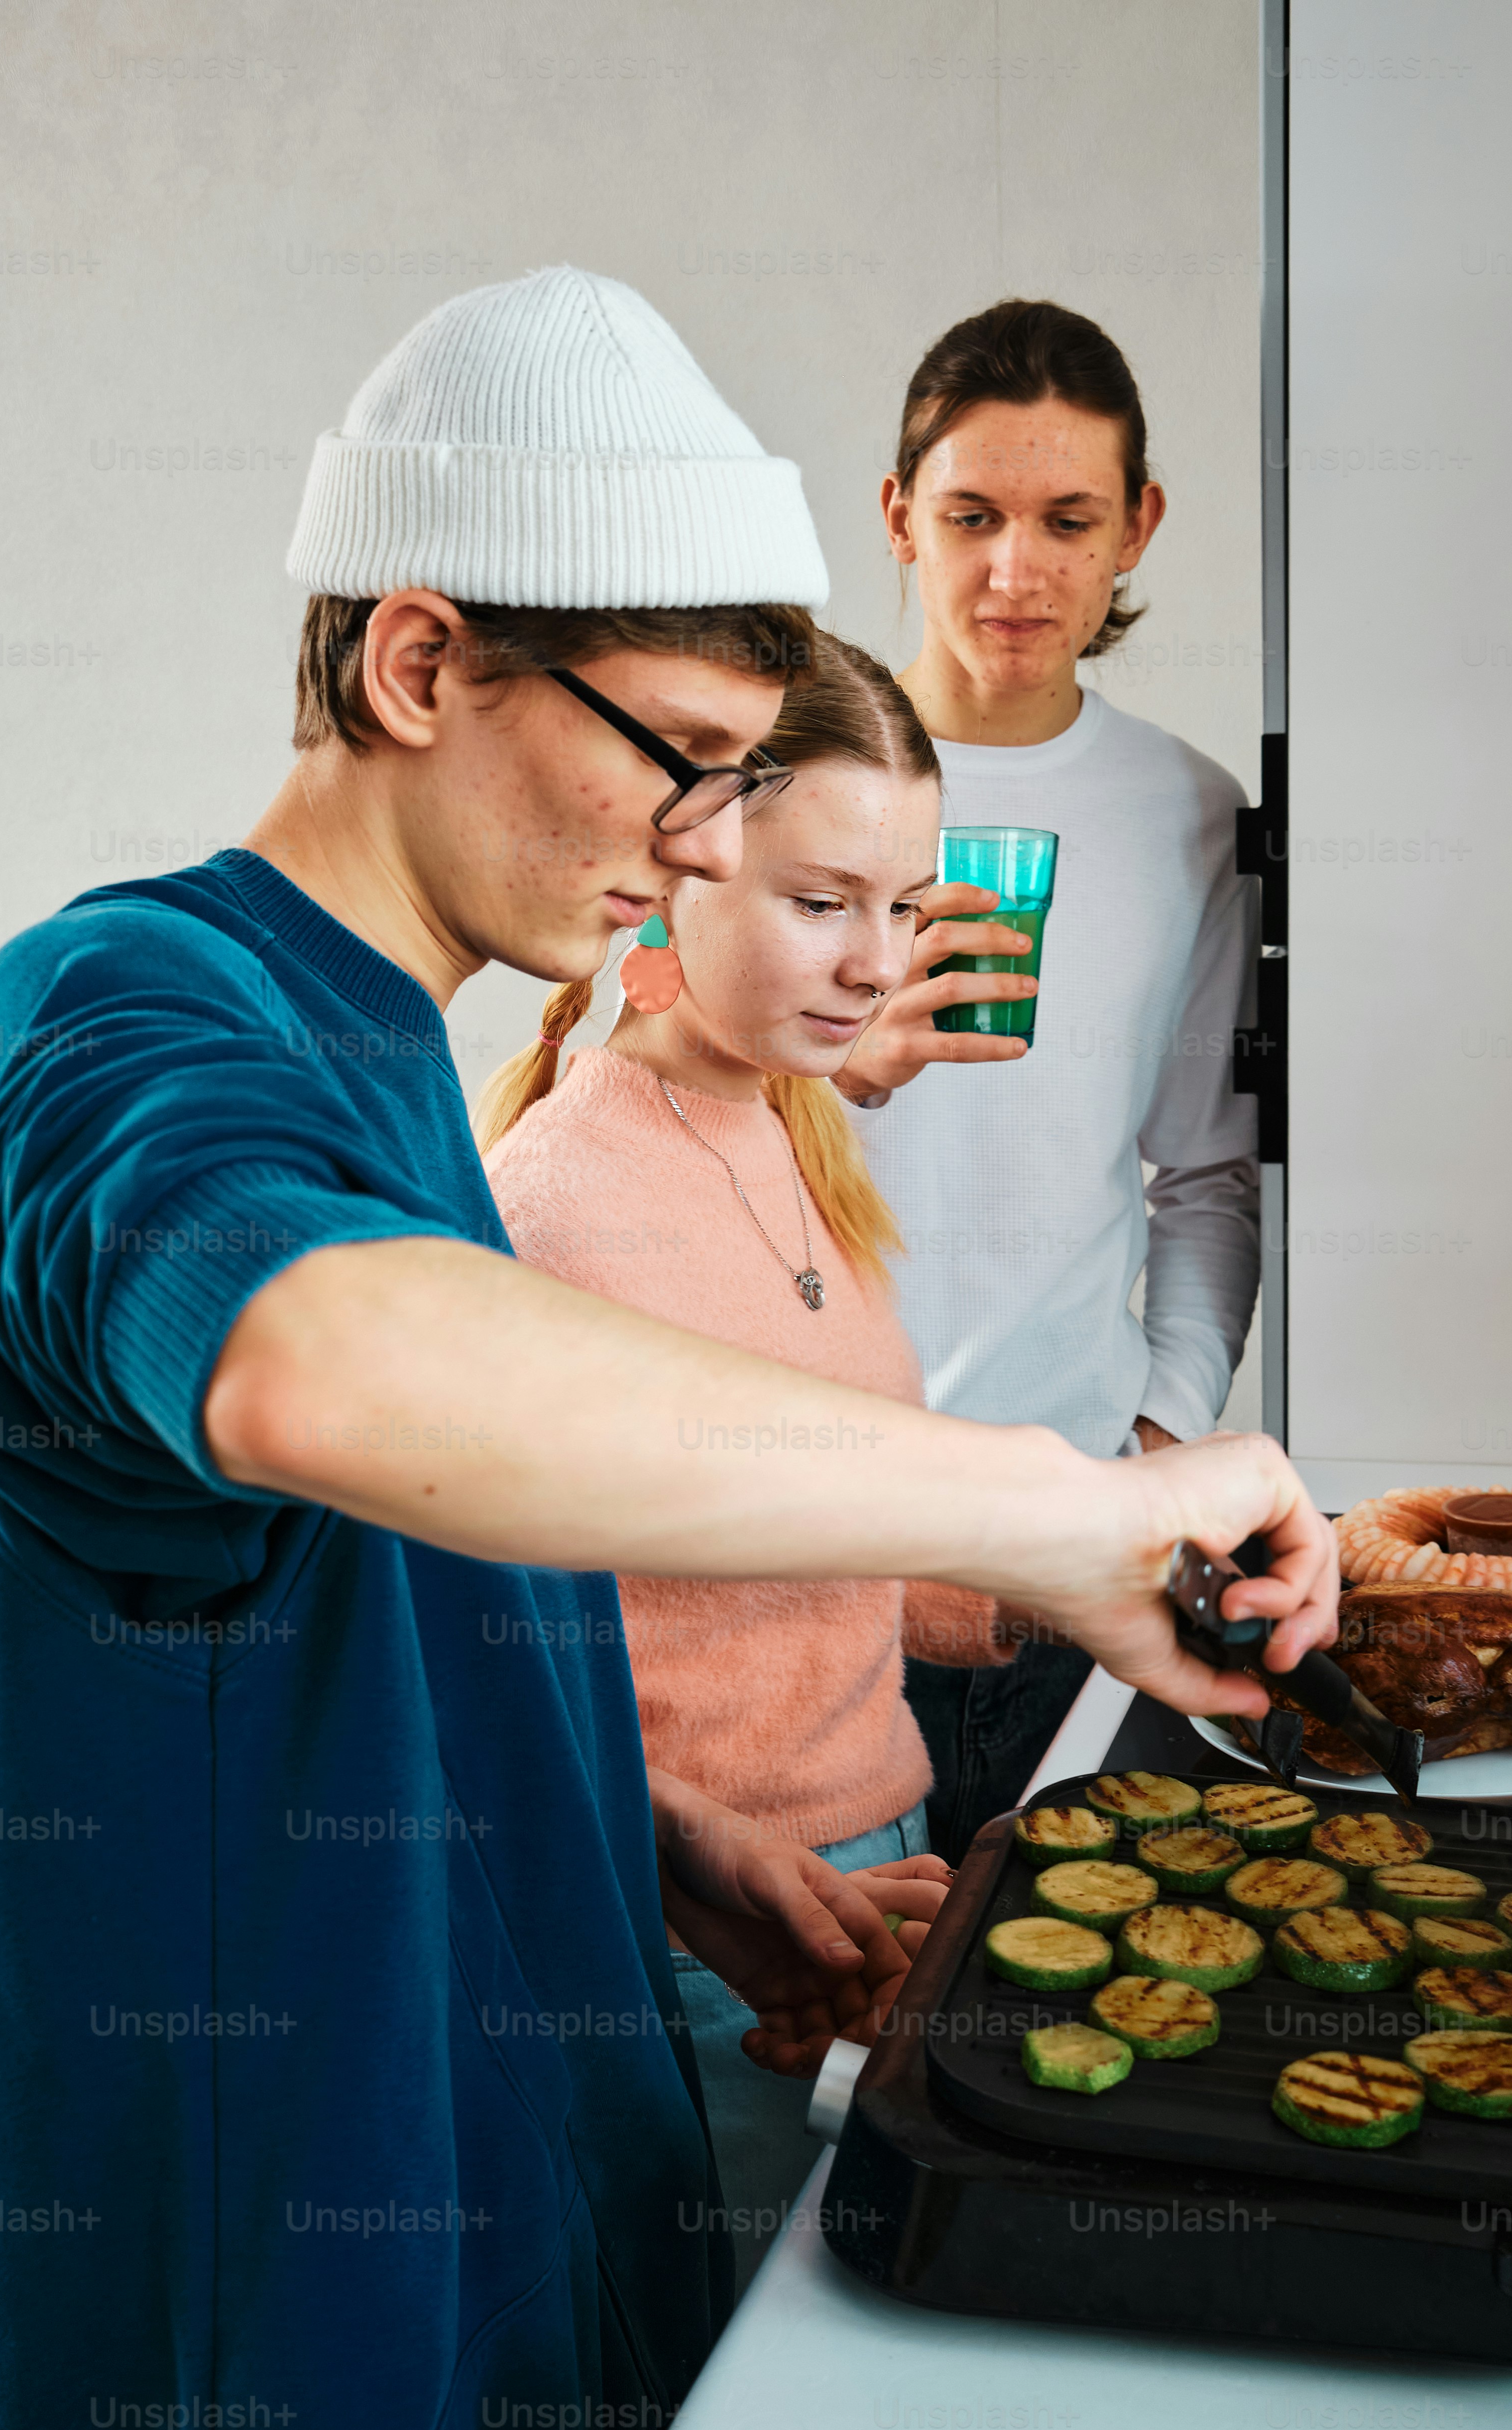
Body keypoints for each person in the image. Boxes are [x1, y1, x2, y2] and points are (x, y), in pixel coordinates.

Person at [0, 267, 1334, 2430]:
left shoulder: (406, 1052)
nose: (707, 840)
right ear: (420, 666)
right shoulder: (121, 1010)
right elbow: (316, 1366)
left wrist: (651, 1844)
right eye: (678, 759)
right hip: (258, 2342)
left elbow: (377, 1589)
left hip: (511, 2207)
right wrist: (1063, 1514)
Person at [484, 633, 1040, 2283]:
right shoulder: (548, 1208)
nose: (877, 963)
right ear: (680, 864)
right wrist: (705, 1867)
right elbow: (490, 1663)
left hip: (889, 1860)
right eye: (820, 901)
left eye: (905, 901)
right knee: (729, 2385)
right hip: (701, 1929)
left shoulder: (798, 1127)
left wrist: (1070, 1589)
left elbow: (815, 1531)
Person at [832, 297, 1263, 1863]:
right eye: (969, 517)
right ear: (897, 517)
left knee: (1042, 2007)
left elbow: (1204, 1172)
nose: (1015, 572)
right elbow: (647, 1135)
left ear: (1136, 527)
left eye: (1067, 520)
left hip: (1068, 1547)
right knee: (811, 2032)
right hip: (813, 1533)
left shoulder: (1186, 812)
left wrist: (1153, 1443)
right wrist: (841, 1073)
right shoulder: (770, 781)